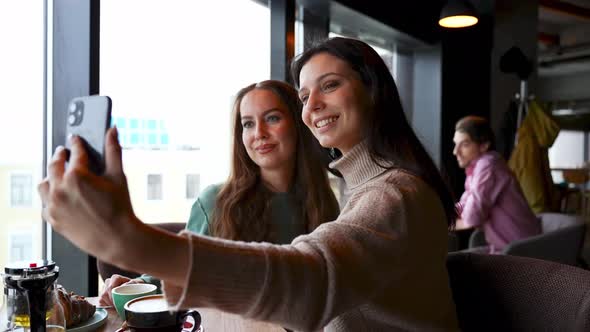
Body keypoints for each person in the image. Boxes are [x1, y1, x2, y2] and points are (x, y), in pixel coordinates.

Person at [39, 37, 459, 331]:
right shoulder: (360, 188)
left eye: (329, 85)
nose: (312, 106)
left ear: (373, 90)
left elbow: (313, 282)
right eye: (304, 95)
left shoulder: (392, 194)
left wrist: (130, 242)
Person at [98, 80, 340, 306]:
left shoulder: (323, 201)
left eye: (272, 118)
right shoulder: (215, 202)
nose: (259, 133)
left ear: (298, 124)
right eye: (248, 124)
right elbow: (184, 269)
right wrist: (138, 285)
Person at [453, 115, 541, 253]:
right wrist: (442, 213)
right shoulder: (477, 168)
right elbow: (465, 204)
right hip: (507, 248)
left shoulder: (488, 165)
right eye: (455, 144)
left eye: (464, 144)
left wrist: (443, 224)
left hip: (521, 252)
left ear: (484, 145)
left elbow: (472, 217)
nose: (455, 152)